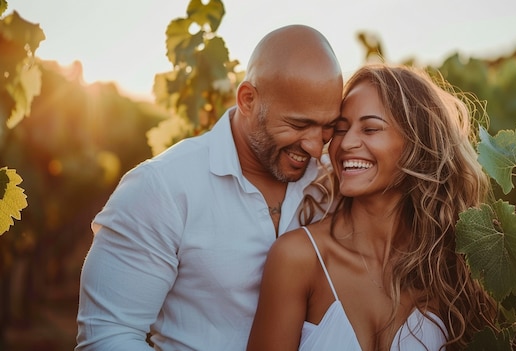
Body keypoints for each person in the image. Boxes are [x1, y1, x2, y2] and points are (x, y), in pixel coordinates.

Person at [75, 24, 344, 351]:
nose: (317, 148)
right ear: (248, 100)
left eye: (328, 127)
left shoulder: (333, 183)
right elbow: (108, 336)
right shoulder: (162, 188)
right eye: (298, 125)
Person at [247, 64, 497, 351]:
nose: (347, 143)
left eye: (370, 128)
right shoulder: (298, 258)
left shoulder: (450, 269)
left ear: (417, 144)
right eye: (341, 129)